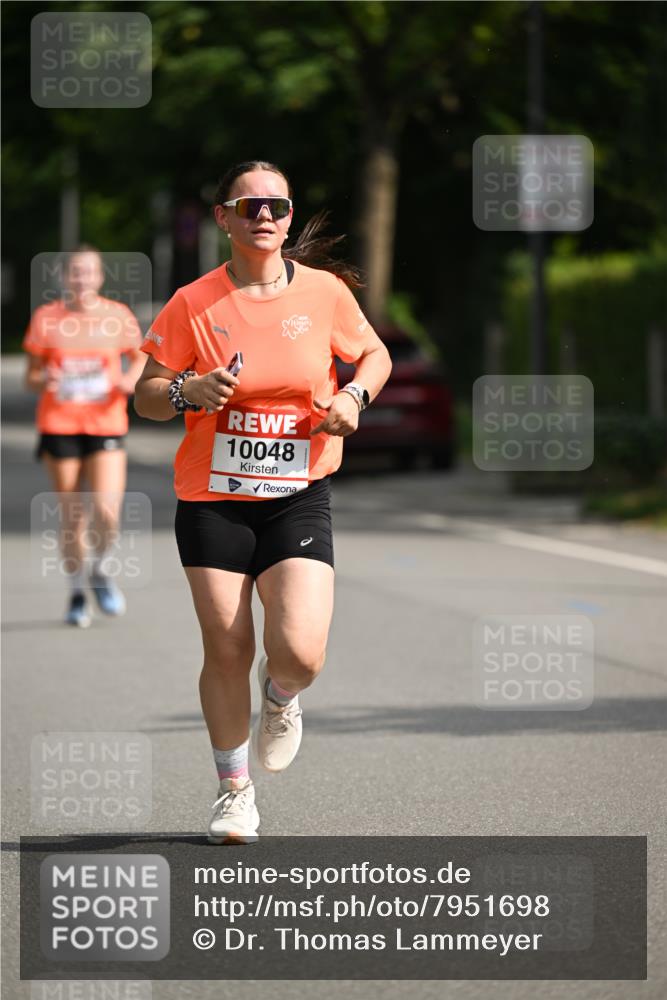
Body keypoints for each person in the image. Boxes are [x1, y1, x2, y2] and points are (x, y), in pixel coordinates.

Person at [134, 159, 392, 844]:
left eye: (276, 206)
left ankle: (280, 699)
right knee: (225, 646)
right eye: (249, 205)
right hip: (212, 498)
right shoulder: (193, 302)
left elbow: (373, 357)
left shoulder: (325, 293)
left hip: (296, 494)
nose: (264, 217)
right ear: (223, 218)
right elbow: (147, 395)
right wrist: (192, 392)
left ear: (286, 217)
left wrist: (351, 398)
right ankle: (233, 792)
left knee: (300, 653)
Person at [23, 246, 145, 627]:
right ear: (63, 278)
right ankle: (77, 592)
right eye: (75, 272)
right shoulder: (47, 318)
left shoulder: (117, 316)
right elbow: (31, 377)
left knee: (107, 510)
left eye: (88, 272)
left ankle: (100, 570)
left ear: (100, 277)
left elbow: (140, 357)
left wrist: (128, 380)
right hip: (59, 425)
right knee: (73, 515)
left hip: (106, 423)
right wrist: (47, 378)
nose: (81, 279)